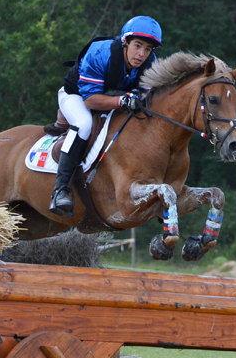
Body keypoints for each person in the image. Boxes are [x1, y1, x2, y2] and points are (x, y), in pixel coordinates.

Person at [49, 16, 163, 217]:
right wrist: (122, 101)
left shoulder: (150, 63)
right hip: (76, 95)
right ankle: (60, 190)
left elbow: (146, 98)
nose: (142, 54)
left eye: (147, 49)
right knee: (84, 125)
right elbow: (90, 100)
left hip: (113, 98)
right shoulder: (100, 53)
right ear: (125, 41)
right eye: (138, 46)